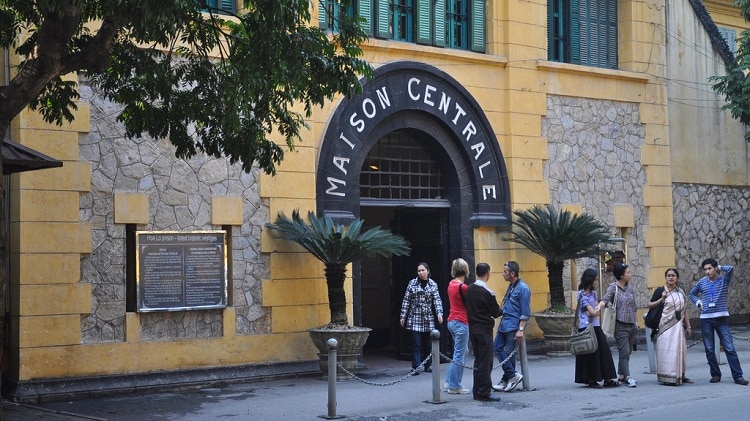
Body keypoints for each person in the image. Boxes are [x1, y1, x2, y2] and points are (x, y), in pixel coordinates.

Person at [688, 259, 748, 385]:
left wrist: (719, 266)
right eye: (705, 269)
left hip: (721, 318)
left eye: (710, 268)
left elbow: (731, 269)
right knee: (709, 349)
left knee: (729, 348)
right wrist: (699, 303)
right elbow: (692, 294)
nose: (707, 272)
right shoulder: (702, 282)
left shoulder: (723, 280)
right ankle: (715, 374)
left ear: (715, 268)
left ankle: (738, 376)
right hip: (706, 318)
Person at [574, 268, 619, 388]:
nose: (596, 282)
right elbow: (593, 312)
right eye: (594, 279)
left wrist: (595, 311)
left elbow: (593, 311)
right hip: (586, 327)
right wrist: (596, 311)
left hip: (596, 326)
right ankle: (591, 379)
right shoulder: (581, 294)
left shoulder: (592, 294)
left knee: (603, 352)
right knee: (590, 354)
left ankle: (607, 378)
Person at [465, 263, 502, 402]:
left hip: (473, 328)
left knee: (478, 361)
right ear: (488, 273)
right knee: (486, 362)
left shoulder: (469, 289)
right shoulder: (487, 292)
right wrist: (501, 310)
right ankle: (484, 392)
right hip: (484, 329)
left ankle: (477, 390)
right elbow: (495, 312)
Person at [492, 261, 530, 393]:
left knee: (509, 353)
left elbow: (525, 312)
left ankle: (509, 378)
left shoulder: (523, 288)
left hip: (513, 325)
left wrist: (521, 329)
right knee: (497, 347)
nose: (503, 274)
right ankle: (511, 376)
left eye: (505, 272)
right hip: (504, 324)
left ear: (512, 273)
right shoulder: (511, 286)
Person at [650, 267, 692, 386]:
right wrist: (662, 298)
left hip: (678, 327)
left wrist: (688, 325)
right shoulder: (660, 290)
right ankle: (667, 376)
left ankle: (679, 375)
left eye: (673, 275)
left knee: (679, 351)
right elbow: (649, 305)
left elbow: (684, 310)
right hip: (664, 327)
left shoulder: (681, 292)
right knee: (666, 351)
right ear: (665, 278)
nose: (670, 277)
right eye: (668, 275)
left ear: (677, 278)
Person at [598, 262, 638, 387]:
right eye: (628, 272)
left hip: (631, 324)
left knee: (627, 351)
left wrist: (636, 322)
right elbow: (605, 300)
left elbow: (634, 307)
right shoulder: (613, 287)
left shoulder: (630, 288)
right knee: (624, 351)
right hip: (620, 325)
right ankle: (628, 377)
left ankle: (621, 375)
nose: (630, 274)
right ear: (621, 275)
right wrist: (598, 307)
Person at [400, 262, 444, 374]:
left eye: (423, 270)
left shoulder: (433, 284)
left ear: (428, 271)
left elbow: (437, 300)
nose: (421, 272)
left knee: (428, 344)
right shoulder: (412, 283)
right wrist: (403, 316)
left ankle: (427, 365)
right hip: (415, 316)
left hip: (428, 317)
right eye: (419, 271)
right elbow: (406, 300)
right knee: (416, 343)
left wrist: (439, 313)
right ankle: (415, 367)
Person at [444, 258, 471, 394]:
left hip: (452, 321)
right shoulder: (463, 287)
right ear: (465, 270)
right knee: (459, 355)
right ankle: (454, 385)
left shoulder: (451, 284)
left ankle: (450, 379)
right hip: (461, 322)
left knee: (461, 351)